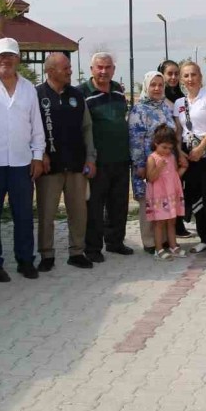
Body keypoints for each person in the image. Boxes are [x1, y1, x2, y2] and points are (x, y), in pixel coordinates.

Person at [0, 38, 46, 281]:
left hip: (21, 162)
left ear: (18, 59)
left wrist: (37, 156)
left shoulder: (28, 88)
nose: (5, 60)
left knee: (24, 215)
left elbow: (37, 126)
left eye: (10, 56)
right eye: (1, 56)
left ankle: (25, 260)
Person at [34, 52, 97, 271]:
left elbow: (87, 128)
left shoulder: (77, 96)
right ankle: (46, 254)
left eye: (70, 67)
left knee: (79, 212)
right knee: (46, 212)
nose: (70, 71)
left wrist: (90, 158)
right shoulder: (37, 95)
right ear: (50, 71)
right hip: (49, 167)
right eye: (66, 68)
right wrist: (39, 155)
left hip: (77, 165)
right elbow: (31, 130)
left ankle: (77, 252)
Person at [78, 52, 135, 261]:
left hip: (120, 158)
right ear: (92, 69)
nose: (104, 71)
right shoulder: (81, 92)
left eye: (108, 67)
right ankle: (92, 248)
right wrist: (87, 159)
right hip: (97, 161)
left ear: (113, 69)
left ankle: (115, 242)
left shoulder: (118, 90)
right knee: (94, 207)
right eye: (99, 67)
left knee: (119, 205)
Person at [172, 60, 206, 253]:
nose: (190, 79)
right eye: (186, 75)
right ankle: (203, 238)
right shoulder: (179, 103)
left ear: (200, 77)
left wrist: (201, 148)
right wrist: (180, 151)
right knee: (194, 196)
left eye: (193, 75)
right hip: (187, 152)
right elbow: (178, 130)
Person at [130, 71, 178, 254]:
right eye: (153, 85)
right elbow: (135, 139)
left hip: (167, 166)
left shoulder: (166, 107)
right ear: (146, 86)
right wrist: (140, 165)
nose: (157, 89)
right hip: (148, 165)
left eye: (160, 85)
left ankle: (164, 240)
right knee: (149, 201)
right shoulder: (139, 109)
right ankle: (150, 241)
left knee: (165, 200)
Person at [158, 59, 192, 238]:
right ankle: (165, 230)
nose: (173, 77)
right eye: (169, 73)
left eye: (176, 74)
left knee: (179, 189)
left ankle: (178, 224)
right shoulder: (159, 97)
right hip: (163, 151)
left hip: (180, 149)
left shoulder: (180, 97)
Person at [145, 124, 188, 260]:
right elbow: (150, 177)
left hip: (172, 195)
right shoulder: (152, 158)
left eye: (170, 148)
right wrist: (159, 167)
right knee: (159, 224)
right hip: (159, 196)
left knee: (171, 222)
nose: (167, 151)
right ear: (156, 143)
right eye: (164, 147)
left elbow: (174, 175)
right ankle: (159, 249)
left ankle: (173, 246)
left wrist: (184, 168)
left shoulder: (171, 157)